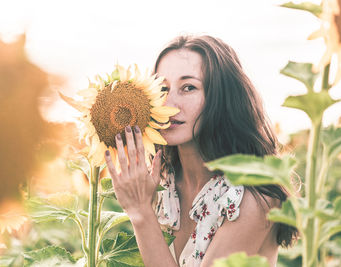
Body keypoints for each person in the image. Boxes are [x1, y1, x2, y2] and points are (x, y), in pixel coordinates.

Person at [104, 35, 297, 267]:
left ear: (222, 97)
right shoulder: (165, 183)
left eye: (188, 87)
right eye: (162, 88)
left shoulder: (254, 196)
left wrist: (140, 212)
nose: (169, 104)